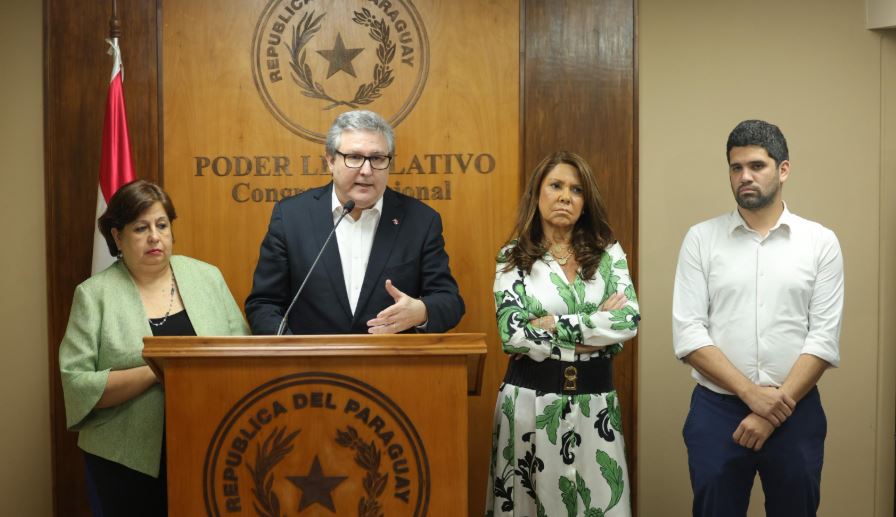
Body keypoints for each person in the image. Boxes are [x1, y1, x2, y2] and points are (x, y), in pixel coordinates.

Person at [672, 120, 844, 517]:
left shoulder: (820, 242)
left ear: (783, 169)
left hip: (795, 411)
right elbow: (689, 333)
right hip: (717, 411)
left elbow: (822, 338)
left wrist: (773, 409)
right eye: (736, 168)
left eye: (756, 166)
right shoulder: (701, 239)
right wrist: (752, 396)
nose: (744, 176)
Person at [58, 180, 249, 516]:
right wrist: (157, 369)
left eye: (162, 225)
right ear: (117, 237)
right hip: (124, 457)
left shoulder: (206, 277)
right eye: (140, 228)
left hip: (210, 443)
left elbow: (242, 354)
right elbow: (77, 384)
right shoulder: (94, 295)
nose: (154, 237)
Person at [486, 151, 640, 516]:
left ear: (585, 204)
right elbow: (513, 335)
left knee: (600, 505)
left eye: (576, 190)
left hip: (596, 405)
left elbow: (628, 322)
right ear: (538, 194)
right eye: (555, 186)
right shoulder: (512, 258)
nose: (565, 196)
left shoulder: (609, 256)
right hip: (527, 404)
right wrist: (595, 323)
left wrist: (554, 323)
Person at [245, 110, 464, 335]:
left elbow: (449, 302)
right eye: (355, 158)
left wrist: (422, 311)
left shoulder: (421, 220)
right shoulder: (292, 217)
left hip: (393, 365)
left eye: (377, 159)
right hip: (310, 367)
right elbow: (263, 304)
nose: (366, 170)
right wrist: (293, 351)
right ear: (330, 160)